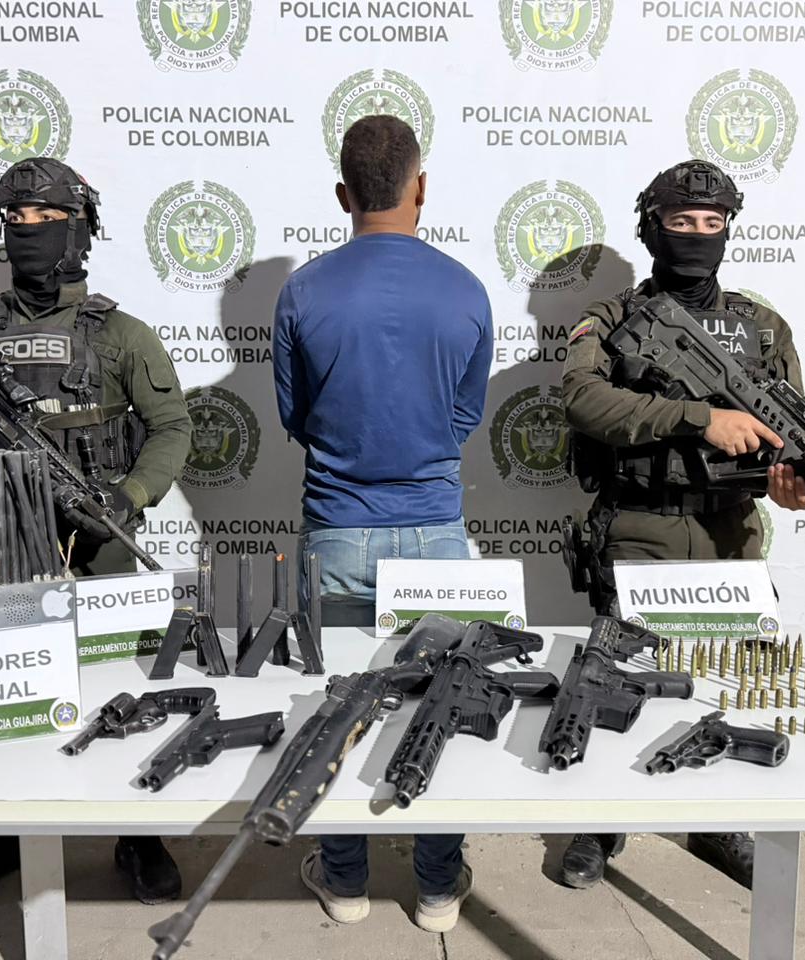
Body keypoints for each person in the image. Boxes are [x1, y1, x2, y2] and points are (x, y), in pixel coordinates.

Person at [0, 157, 192, 905]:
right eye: (15, 222)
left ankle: (138, 832)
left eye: (46, 222)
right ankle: (0, 838)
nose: (29, 235)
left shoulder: (122, 335)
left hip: (99, 542)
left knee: (122, 685)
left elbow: (171, 426)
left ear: (79, 229)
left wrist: (131, 495)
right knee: (2, 696)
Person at [559, 159, 805, 890]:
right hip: (642, 529)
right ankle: (599, 822)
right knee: (616, 682)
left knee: (723, 688)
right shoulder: (610, 321)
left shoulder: (760, 327)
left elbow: (783, 440)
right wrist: (699, 417)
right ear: (652, 228)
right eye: (681, 222)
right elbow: (582, 401)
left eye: (713, 223)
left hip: (731, 536)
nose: (698, 236)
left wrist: (790, 485)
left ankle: (717, 819)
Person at [272, 115, 493, 933]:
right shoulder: (465, 288)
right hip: (436, 530)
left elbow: (296, 415)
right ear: (421, 186)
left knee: (336, 707)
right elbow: (464, 414)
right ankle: (437, 887)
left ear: (342, 194)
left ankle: (345, 881)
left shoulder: (304, 291)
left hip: (338, 527)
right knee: (440, 701)